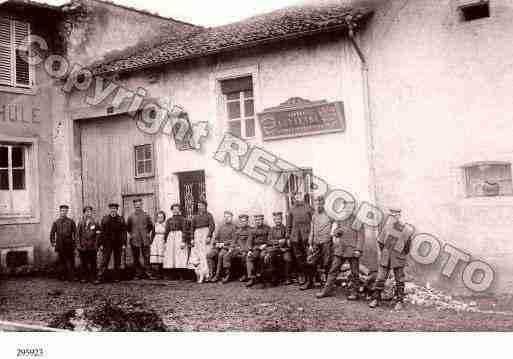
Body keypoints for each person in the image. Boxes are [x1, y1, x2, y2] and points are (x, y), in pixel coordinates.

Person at [369, 208, 413, 310]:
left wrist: (400, 253)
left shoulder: (406, 230)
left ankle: (399, 301)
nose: (394, 217)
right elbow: (380, 242)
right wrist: (385, 252)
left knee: (399, 280)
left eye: (396, 215)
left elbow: (407, 247)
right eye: (392, 215)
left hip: (398, 258)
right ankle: (375, 298)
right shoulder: (386, 227)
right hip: (386, 256)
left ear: (399, 216)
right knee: (380, 278)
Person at [316, 207, 364, 299]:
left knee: (355, 272)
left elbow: (361, 236)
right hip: (341, 249)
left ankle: (354, 293)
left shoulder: (358, 220)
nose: (347, 210)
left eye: (349, 208)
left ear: (353, 209)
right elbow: (334, 232)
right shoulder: (340, 219)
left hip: (352, 250)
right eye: (346, 208)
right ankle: (326, 291)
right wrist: (337, 232)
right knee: (333, 270)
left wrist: (358, 249)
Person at [302, 196, 335, 291]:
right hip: (316, 242)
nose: (318, 206)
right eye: (316, 204)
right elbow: (312, 229)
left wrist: (331, 234)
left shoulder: (329, 214)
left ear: (323, 204)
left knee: (327, 262)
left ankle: (328, 285)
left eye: (320, 203)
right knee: (310, 261)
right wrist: (310, 243)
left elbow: (336, 224)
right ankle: (310, 282)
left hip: (326, 242)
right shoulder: (314, 215)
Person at [286, 192, 312, 285]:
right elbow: (288, 224)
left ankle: (311, 277)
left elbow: (313, 222)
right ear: (294, 198)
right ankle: (303, 275)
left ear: (303, 197)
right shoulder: (291, 209)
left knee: (308, 256)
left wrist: (311, 236)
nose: (298, 197)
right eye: (296, 196)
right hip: (295, 237)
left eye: (300, 195)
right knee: (298, 257)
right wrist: (288, 237)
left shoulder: (308, 207)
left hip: (306, 237)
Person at [97, 203, 126, 283]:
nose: (113, 210)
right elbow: (101, 232)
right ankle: (100, 277)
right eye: (112, 208)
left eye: (115, 209)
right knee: (105, 260)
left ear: (117, 210)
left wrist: (123, 244)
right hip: (107, 243)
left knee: (117, 261)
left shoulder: (121, 219)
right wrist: (101, 244)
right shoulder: (105, 219)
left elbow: (124, 232)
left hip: (118, 243)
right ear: (109, 209)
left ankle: (116, 277)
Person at [127, 198, 155, 280]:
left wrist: (145, 233)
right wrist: (133, 235)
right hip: (135, 240)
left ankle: (148, 273)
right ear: (134, 206)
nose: (137, 206)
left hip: (145, 240)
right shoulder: (131, 216)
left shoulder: (146, 215)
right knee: (136, 258)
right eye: (136, 205)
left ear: (141, 205)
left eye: (139, 205)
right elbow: (128, 228)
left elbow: (150, 226)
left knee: (146, 257)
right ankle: (137, 274)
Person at [262, 211, 292, 286]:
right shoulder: (271, 229)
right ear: (274, 220)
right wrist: (278, 241)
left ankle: (287, 277)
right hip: (275, 249)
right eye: (275, 219)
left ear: (281, 220)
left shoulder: (286, 228)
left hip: (284, 249)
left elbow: (287, 238)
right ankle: (274, 277)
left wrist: (284, 241)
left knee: (287, 258)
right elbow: (268, 241)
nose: (277, 221)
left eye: (279, 219)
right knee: (270, 257)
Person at [207, 210, 237, 283]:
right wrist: (217, 243)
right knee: (209, 255)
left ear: (232, 218)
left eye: (228, 217)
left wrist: (223, 244)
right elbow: (216, 238)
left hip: (227, 247)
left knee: (221, 255)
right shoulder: (221, 227)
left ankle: (221, 275)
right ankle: (211, 274)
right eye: (225, 217)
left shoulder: (234, 227)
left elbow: (234, 240)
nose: (227, 218)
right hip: (218, 247)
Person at [189, 200, 215, 283]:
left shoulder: (209, 215)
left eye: (201, 205)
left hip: (205, 234)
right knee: (198, 254)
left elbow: (212, 226)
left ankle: (208, 274)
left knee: (206, 254)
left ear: (205, 206)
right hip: (197, 235)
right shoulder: (195, 216)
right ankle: (199, 274)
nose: (200, 207)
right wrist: (192, 238)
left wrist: (209, 236)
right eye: (199, 205)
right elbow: (192, 228)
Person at [49, 204, 77, 281]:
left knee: (70, 261)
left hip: (69, 243)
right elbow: (52, 233)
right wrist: (53, 242)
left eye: (65, 211)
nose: (64, 212)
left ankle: (71, 277)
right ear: (60, 212)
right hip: (60, 243)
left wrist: (74, 243)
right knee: (61, 261)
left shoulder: (71, 222)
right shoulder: (56, 222)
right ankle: (62, 276)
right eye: (62, 211)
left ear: (67, 212)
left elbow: (75, 233)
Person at [222, 214, 252, 283]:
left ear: (247, 222)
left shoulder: (250, 230)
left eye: (244, 221)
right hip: (238, 249)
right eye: (241, 221)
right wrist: (231, 248)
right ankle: (228, 275)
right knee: (227, 256)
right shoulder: (238, 231)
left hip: (245, 249)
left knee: (244, 256)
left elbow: (249, 242)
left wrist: (244, 250)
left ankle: (245, 275)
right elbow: (233, 241)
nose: (243, 223)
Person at [77, 205, 101, 283]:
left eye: (89, 212)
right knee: (83, 263)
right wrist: (79, 245)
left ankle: (94, 278)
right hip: (83, 246)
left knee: (93, 263)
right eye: (86, 212)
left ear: (91, 213)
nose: (88, 213)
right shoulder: (80, 222)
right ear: (84, 213)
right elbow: (78, 235)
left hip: (92, 246)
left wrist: (96, 245)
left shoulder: (95, 222)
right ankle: (84, 277)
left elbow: (98, 234)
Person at [163, 204, 189, 277]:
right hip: (171, 238)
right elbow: (166, 231)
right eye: (173, 209)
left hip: (179, 237)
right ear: (171, 210)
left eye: (177, 209)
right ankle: (173, 274)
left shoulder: (183, 219)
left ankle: (181, 274)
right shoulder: (169, 220)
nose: (175, 211)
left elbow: (184, 230)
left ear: (179, 210)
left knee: (180, 255)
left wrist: (183, 241)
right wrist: (165, 241)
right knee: (171, 255)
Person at [246, 214, 271, 287]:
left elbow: (270, 239)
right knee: (249, 257)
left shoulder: (268, 228)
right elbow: (249, 241)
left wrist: (266, 244)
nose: (258, 221)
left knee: (263, 256)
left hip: (265, 247)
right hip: (256, 248)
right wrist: (249, 250)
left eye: (259, 219)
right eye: (256, 220)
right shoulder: (253, 230)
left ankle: (264, 278)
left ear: (262, 220)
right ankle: (251, 278)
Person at [150, 210, 166, 279]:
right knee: (156, 258)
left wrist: (165, 241)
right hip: (156, 241)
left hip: (162, 241)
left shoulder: (165, 224)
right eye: (158, 217)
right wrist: (151, 242)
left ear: (164, 218)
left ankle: (162, 273)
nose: (160, 219)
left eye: (161, 217)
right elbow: (153, 234)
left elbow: (167, 233)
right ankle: (156, 274)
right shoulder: (155, 225)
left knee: (162, 257)